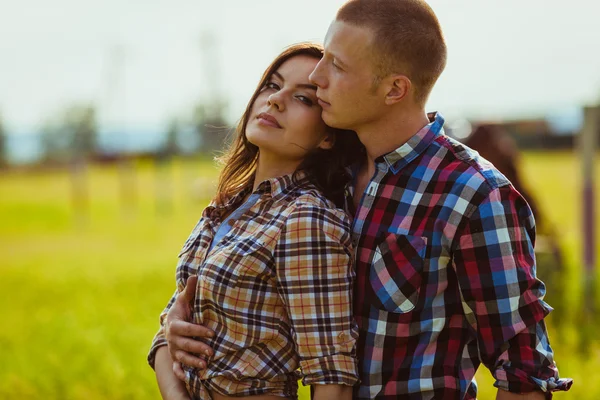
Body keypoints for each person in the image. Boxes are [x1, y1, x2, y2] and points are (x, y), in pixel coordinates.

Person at [165, 1, 573, 399]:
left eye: (337, 66)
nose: (318, 75)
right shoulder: (319, 179)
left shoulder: (473, 194)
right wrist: (179, 329)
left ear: (395, 89)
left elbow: (523, 371)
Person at [148, 42, 365, 400]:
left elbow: (331, 376)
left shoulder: (306, 219)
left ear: (328, 135)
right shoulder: (228, 206)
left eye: (304, 99)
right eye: (272, 85)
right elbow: (170, 329)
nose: (276, 100)